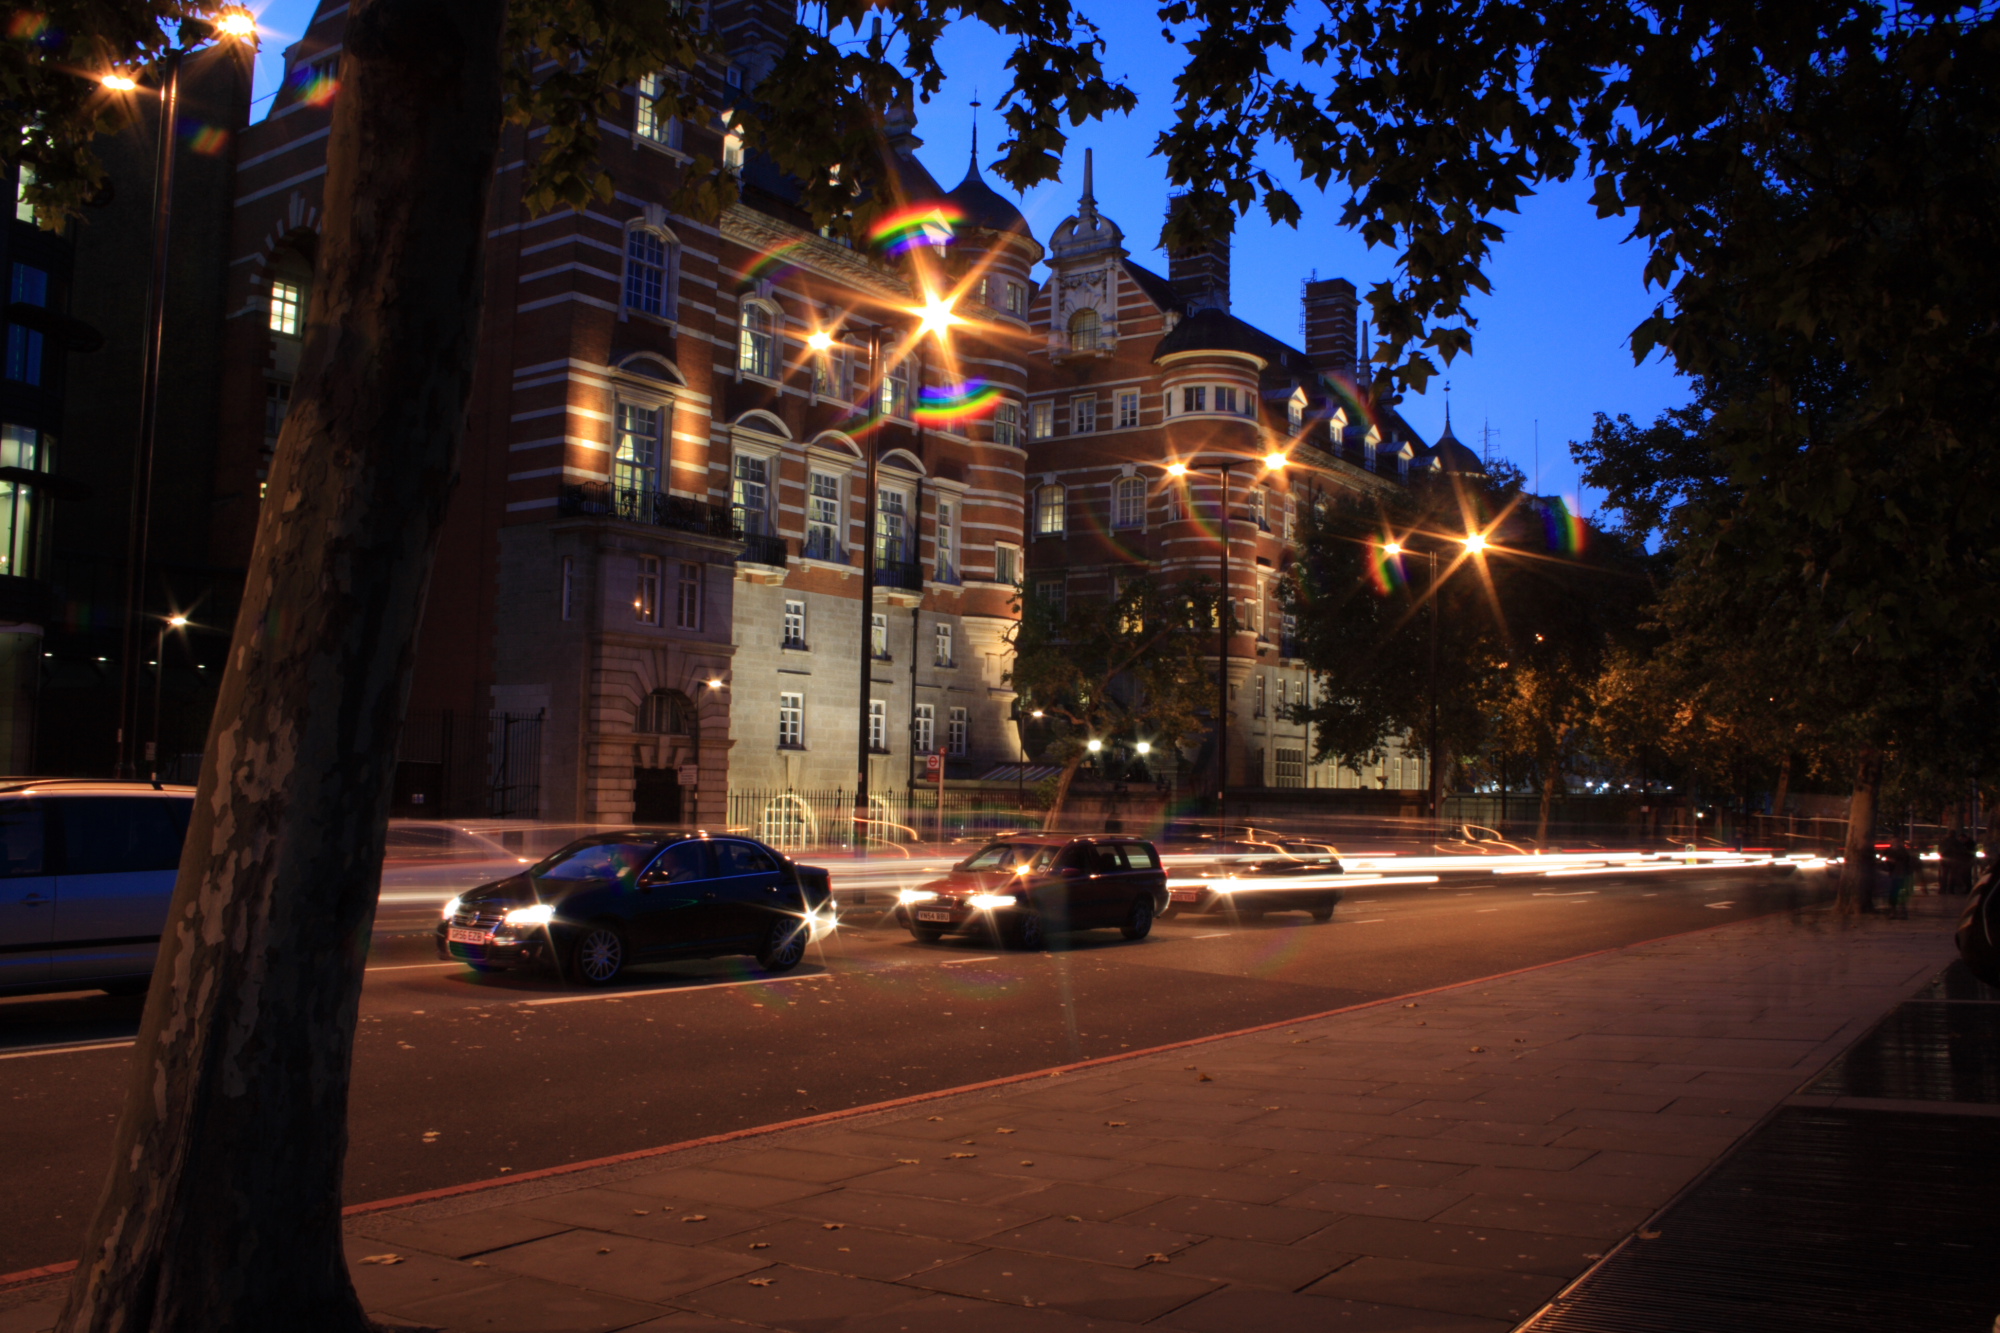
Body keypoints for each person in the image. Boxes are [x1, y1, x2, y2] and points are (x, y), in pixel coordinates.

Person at [1884, 835, 1916, 919]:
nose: (1894, 843)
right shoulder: (1892, 850)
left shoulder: (1901, 851)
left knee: (1898, 892)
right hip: (1896, 874)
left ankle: (1898, 911)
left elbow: (1904, 861)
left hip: (1899, 874)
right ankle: (1897, 910)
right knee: (1896, 892)